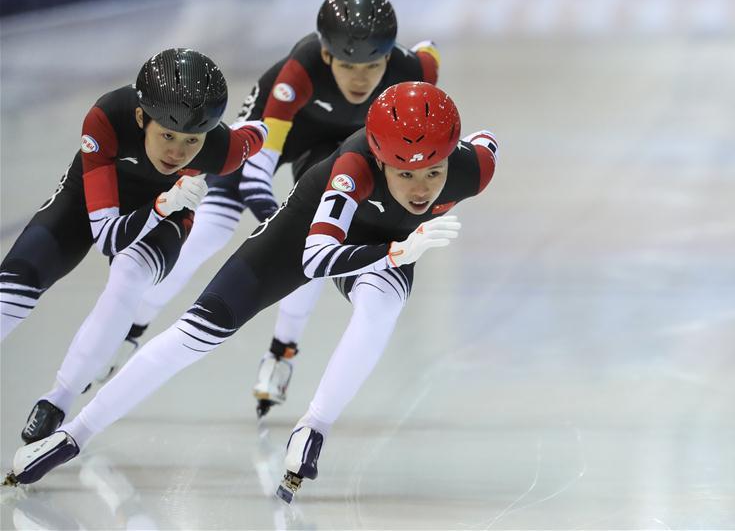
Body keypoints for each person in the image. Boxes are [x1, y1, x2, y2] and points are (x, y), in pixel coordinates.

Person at [7, 82, 499, 505]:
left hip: (386, 245)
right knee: (194, 334)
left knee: (381, 308)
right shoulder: (353, 167)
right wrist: (395, 252)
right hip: (303, 236)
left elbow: (486, 142)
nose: (420, 190)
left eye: (433, 171)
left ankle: (315, 425)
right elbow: (315, 260)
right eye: (404, 172)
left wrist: (394, 250)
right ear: (376, 154)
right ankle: (76, 433)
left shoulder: (471, 168)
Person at [120, 0, 441, 417]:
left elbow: (429, 56)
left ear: (389, 58)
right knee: (212, 226)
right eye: (347, 64)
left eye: (372, 65)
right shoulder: (301, 69)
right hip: (272, 135)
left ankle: (281, 352)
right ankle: (133, 327)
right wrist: (275, 215)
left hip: (339, 150)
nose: (360, 79)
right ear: (327, 56)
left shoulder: (410, 69)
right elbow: (258, 166)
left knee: (312, 244)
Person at [0, 48, 267, 444]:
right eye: (167, 135)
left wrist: (167, 209)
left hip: (169, 219)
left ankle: (58, 400)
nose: (177, 152)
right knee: (13, 286)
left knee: (129, 277)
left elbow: (259, 133)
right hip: (90, 199)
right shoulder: (107, 118)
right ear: (142, 117)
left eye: (192, 140)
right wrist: (162, 204)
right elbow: (108, 236)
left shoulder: (222, 149)